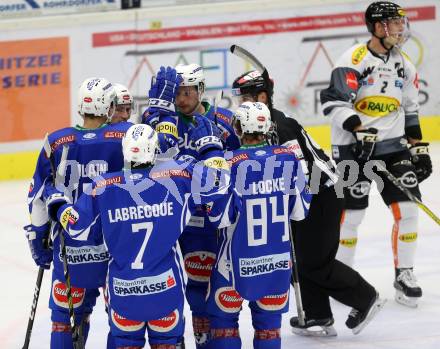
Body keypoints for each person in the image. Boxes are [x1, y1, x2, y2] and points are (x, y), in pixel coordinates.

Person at [43, 121, 240, 349]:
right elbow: (219, 181)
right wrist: (210, 148)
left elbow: (77, 227)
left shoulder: (102, 185)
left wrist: (58, 205)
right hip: (165, 290)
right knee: (166, 342)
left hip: (123, 293)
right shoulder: (178, 177)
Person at [232, 70, 384, 335]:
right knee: (297, 258)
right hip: (307, 196)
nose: (241, 103)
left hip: (322, 194)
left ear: (263, 96)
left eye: (246, 97)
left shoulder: (279, 126)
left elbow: (301, 175)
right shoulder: (263, 123)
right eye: (241, 98)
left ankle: (365, 297)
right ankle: (317, 314)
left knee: (315, 262)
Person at [320, 1, 432, 308]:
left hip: (393, 149)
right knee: (352, 217)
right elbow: (332, 103)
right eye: (395, 23)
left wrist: (418, 148)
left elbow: (410, 108)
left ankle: (405, 274)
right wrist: (358, 129)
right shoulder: (354, 59)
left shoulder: (404, 64)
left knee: (408, 210)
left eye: (400, 22)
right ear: (379, 26)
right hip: (352, 151)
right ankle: (343, 279)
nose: (400, 28)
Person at [26, 77, 131, 348]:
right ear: (108, 106)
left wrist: (37, 239)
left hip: (69, 253)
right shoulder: (124, 138)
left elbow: (38, 198)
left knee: (64, 320)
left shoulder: (55, 141)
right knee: (122, 324)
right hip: (115, 251)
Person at [143, 64, 240, 347]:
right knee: (169, 285)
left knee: (202, 284)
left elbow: (238, 161)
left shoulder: (223, 120)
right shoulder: (161, 118)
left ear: (200, 90)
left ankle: (204, 338)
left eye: (187, 93)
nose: (181, 100)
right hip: (171, 216)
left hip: (207, 216)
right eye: (176, 94)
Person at [205, 101, 311, 349]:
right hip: (276, 265)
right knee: (269, 330)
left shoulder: (228, 162)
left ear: (239, 128)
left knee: (223, 325)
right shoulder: (288, 158)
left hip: (232, 266)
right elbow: (300, 212)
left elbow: (219, 217)